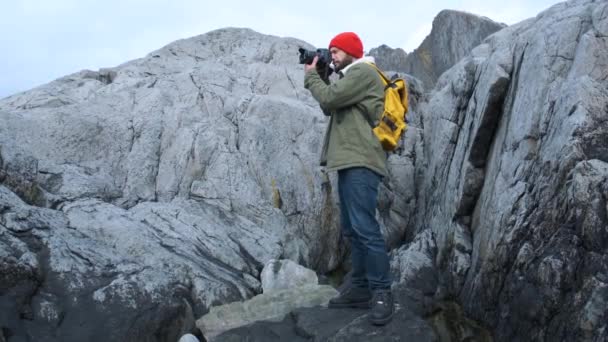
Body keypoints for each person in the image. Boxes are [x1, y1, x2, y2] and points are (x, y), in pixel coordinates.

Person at [303, 31, 394, 326]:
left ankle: (381, 292)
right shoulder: (351, 77)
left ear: (353, 52)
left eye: (337, 51)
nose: (333, 56)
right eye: (330, 51)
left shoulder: (364, 72)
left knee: (366, 229)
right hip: (349, 160)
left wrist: (312, 77)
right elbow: (330, 104)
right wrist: (322, 74)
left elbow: (329, 99)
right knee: (352, 229)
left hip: (362, 160)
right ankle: (360, 288)